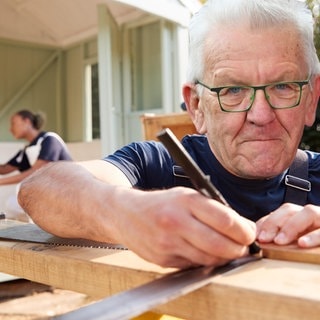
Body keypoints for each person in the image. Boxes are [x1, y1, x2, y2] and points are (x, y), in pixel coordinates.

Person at [18, 0, 320, 268]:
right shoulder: (153, 166)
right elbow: (40, 189)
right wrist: (127, 214)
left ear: (312, 99)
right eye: (233, 90)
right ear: (197, 106)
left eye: (283, 86)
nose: (260, 115)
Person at [0, 109, 72, 219]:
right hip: (48, 194)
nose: (10, 129)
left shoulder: (50, 139)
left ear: (27, 121)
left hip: (67, 193)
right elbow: (4, 169)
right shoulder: (27, 149)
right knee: (12, 203)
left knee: (24, 193)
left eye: (13, 123)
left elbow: (37, 171)